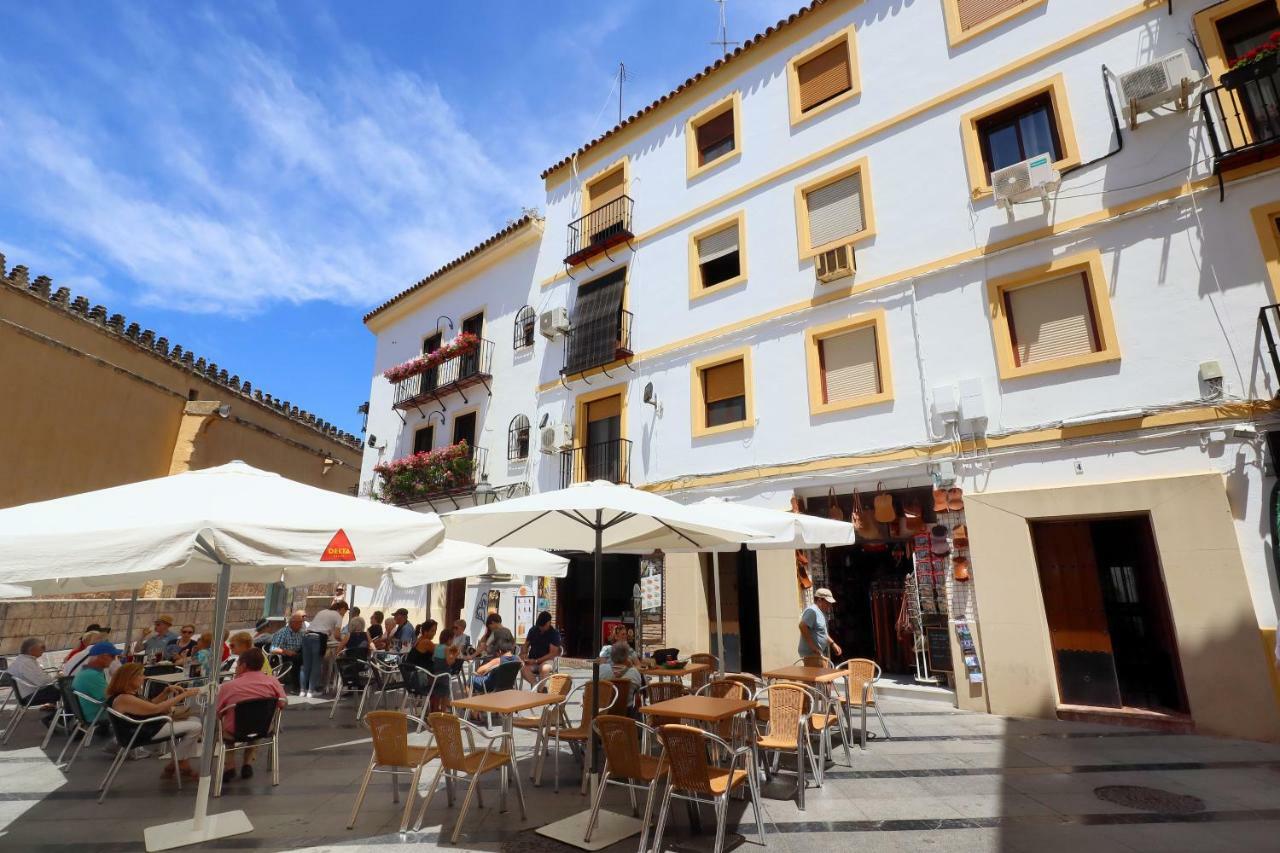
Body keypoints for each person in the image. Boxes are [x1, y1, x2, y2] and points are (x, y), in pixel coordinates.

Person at [105, 663, 203, 781]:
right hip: (142, 732)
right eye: (141, 675)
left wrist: (165, 692)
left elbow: (149, 705)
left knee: (194, 720)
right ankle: (178, 763)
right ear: (129, 678)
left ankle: (180, 764)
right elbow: (155, 709)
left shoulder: (123, 695)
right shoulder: (125, 699)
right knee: (196, 726)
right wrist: (184, 695)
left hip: (143, 728)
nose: (144, 678)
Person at [215, 648, 285, 784]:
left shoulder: (228, 687)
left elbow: (219, 712)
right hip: (263, 729)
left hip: (234, 731)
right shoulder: (272, 682)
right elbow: (282, 703)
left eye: (238, 664)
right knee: (257, 722)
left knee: (224, 728)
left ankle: (229, 766)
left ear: (244, 665)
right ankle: (247, 764)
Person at [300, 601, 346, 699]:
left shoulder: (322, 612)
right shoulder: (338, 616)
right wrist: (344, 640)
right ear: (341, 609)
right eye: (345, 611)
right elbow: (337, 635)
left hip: (306, 636)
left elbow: (321, 626)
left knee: (306, 665)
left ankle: (302, 691)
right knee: (316, 665)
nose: (344, 614)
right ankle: (311, 691)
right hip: (318, 639)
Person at [71, 642, 121, 722]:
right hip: (98, 717)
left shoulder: (86, 672)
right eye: (112, 656)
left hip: (91, 714)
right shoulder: (92, 675)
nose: (115, 659)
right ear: (102, 657)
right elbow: (111, 700)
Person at [9, 639, 60, 715]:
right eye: (42, 648)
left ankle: (56, 710)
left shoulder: (22, 660)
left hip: (28, 693)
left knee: (60, 686)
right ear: (31, 650)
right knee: (68, 689)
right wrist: (57, 677)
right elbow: (42, 682)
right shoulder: (26, 663)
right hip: (31, 696)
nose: (43, 650)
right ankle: (61, 718)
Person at [798, 587, 841, 660]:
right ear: (819, 600)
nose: (829, 606)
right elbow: (802, 626)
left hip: (815, 653)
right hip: (810, 655)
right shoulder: (812, 611)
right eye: (827, 603)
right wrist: (814, 648)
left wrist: (833, 644)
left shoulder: (821, 613)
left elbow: (822, 633)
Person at [269, 611, 307, 692]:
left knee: (310, 657)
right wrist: (286, 651)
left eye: (301, 623)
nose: (301, 625)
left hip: (297, 653)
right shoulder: (283, 632)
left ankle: (306, 684)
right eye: (299, 623)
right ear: (292, 623)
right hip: (285, 655)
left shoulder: (300, 632)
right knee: (298, 660)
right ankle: (296, 686)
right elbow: (273, 648)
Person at [521, 612, 562, 685]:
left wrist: (536, 661)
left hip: (547, 661)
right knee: (523, 669)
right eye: (540, 626)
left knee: (544, 668)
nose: (541, 628)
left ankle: (540, 689)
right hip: (532, 661)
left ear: (549, 623)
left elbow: (552, 654)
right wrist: (524, 653)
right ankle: (536, 686)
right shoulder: (533, 630)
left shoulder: (554, 634)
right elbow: (526, 645)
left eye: (543, 626)